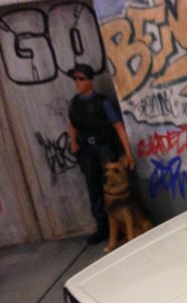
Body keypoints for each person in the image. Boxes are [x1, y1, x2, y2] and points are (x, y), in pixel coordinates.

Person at [67, 63, 135, 244]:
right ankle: (102, 225)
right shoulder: (74, 103)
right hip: (87, 149)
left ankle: (123, 225)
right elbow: (72, 124)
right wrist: (74, 143)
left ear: (90, 80)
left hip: (105, 147)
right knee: (93, 186)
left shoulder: (102, 102)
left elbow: (118, 126)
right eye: (75, 79)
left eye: (81, 78)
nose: (77, 82)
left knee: (114, 184)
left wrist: (128, 152)